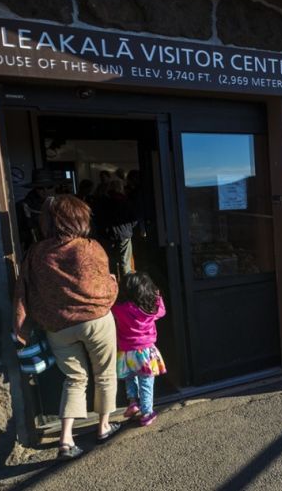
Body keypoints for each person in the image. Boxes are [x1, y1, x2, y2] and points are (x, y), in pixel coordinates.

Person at [12, 195, 121, 460]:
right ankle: (104, 426)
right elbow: (104, 284)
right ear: (79, 219)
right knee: (104, 373)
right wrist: (113, 284)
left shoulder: (36, 253)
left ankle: (65, 439)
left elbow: (29, 290)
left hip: (58, 325)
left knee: (74, 379)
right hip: (96, 321)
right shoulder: (89, 247)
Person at [112, 272, 167, 427]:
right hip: (145, 352)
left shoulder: (119, 309)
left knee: (130, 377)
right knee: (146, 383)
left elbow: (110, 306)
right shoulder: (151, 309)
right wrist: (157, 296)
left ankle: (132, 402)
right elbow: (162, 310)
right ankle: (147, 413)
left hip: (126, 352)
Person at [94, 178, 139, 276]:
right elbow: (134, 219)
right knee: (125, 263)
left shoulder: (103, 201)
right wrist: (127, 228)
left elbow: (98, 218)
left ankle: (113, 283)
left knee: (110, 261)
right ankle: (126, 285)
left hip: (107, 235)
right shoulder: (125, 201)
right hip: (124, 235)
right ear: (120, 188)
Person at [14, 168, 60, 252]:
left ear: (54, 187)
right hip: (36, 252)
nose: (45, 191)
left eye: (49, 187)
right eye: (40, 188)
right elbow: (18, 235)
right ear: (35, 188)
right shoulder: (23, 206)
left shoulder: (61, 205)